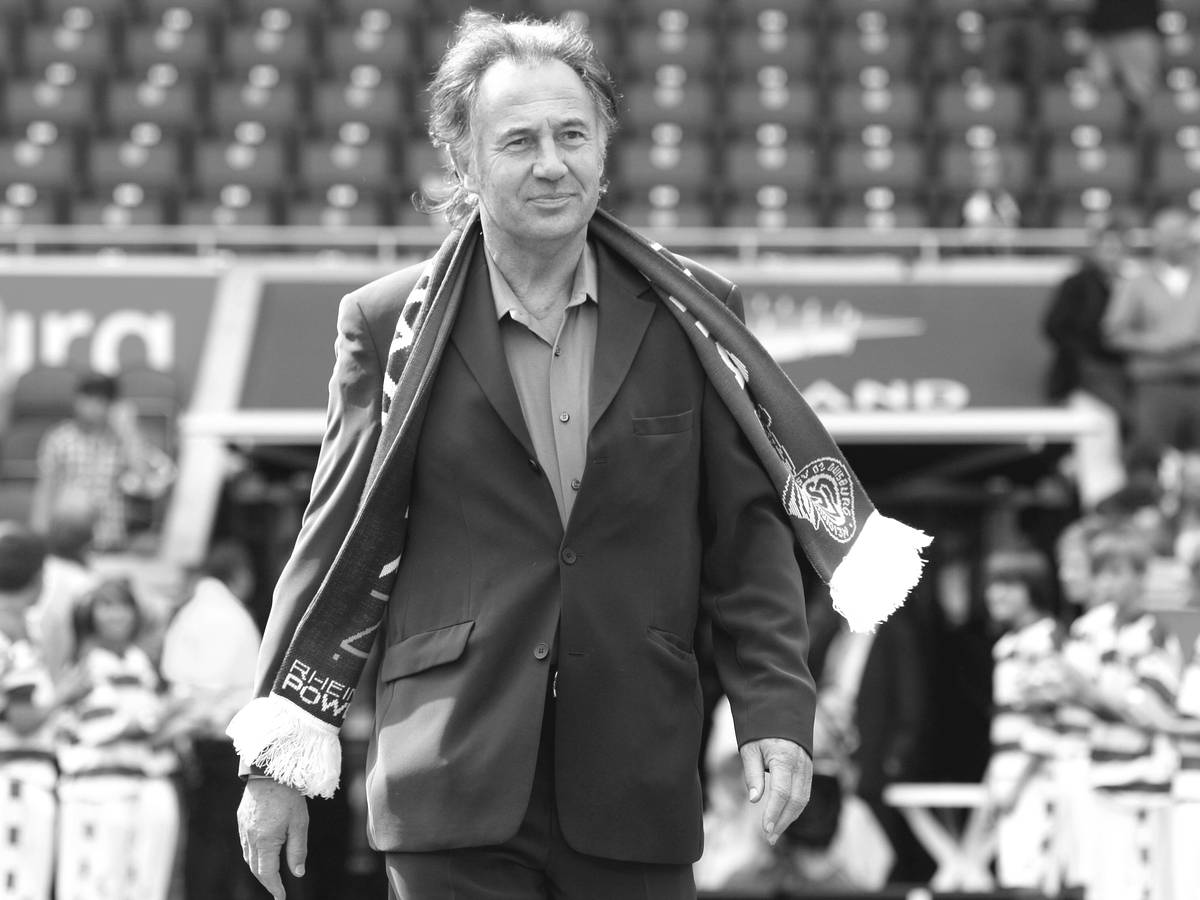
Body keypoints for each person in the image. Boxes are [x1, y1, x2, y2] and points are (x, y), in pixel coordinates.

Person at [228, 11, 929, 900]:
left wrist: (776, 709)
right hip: (449, 773)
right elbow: (334, 538)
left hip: (638, 771)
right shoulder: (381, 322)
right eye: (518, 141)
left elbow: (747, 536)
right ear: (463, 158)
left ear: (604, 149)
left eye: (572, 135)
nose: (552, 163)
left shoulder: (694, 314)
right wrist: (274, 759)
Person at [1058, 526, 1182, 900]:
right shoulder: (1092, 630)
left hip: (1142, 784)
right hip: (1098, 773)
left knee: (1140, 885)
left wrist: (1095, 692)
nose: (1108, 583)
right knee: (1101, 885)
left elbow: (1149, 710)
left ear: (1141, 576)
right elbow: (1065, 691)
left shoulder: (1154, 632)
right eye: (1101, 573)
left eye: (1117, 572)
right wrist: (1108, 697)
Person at [54, 577, 181, 900]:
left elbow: (150, 730)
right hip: (94, 791)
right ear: (89, 615)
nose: (117, 614)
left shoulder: (139, 663)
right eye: (106, 606)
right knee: (94, 885)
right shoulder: (87, 663)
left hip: (134, 787)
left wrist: (168, 720)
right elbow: (107, 727)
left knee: (133, 886)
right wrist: (166, 715)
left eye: (124, 605)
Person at [160, 541, 265, 900]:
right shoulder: (225, 615)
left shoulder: (193, 612)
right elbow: (209, 689)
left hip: (202, 737)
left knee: (206, 837)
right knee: (218, 843)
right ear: (241, 575)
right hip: (218, 741)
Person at [979, 549, 1065, 893]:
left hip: (1037, 779)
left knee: (1035, 880)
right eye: (992, 584)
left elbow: (1049, 721)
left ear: (1033, 588)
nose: (994, 594)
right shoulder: (1008, 644)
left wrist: (1018, 782)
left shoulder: (1045, 639)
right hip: (1009, 777)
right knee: (1014, 877)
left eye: (1008, 584)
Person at [1104, 208, 1200, 483]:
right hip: (1155, 385)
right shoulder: (1138, 283)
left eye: (1182, 235)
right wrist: (1157, 344)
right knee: (1148, 459)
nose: (1179, 242)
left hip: (1197, 381)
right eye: (1171, 236)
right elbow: (1113, 332)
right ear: (1158, 239)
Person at [1043, 219, 1133, 509]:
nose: (1112, 255)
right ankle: (1100, 510)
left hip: (1124, 377)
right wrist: (1087, 352)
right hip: (1088, 377)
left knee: (1125, 444)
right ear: (1095, 250)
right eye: (1107, 248)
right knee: (1098, 441)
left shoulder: (1130, 285)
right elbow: (1055, 326)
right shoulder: (1077, 284)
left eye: (1118, 249)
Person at [30, 372, 166, 553]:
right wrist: (39, 539)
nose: (93, 406)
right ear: (77, 399)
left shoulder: (123, 439)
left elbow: (146, 482)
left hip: (111, 542)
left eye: (101, 400)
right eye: (88, 397)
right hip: (68, 543)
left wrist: (129, 429)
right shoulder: (59, 438)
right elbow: (45, 490)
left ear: (111, 405)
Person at [0, 523, 59, 900]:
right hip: (15, 775)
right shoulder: (11, 632)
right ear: (38, 576)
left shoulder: (20, 627)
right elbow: (22, 719)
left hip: (21, 775)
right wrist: (65, 695)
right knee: (18, 887)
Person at [1085, 0, 1163, 109]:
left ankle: (1137, 117)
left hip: (1138, 32)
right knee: (1099, 88)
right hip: (1103, 32)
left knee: (1140, 92)